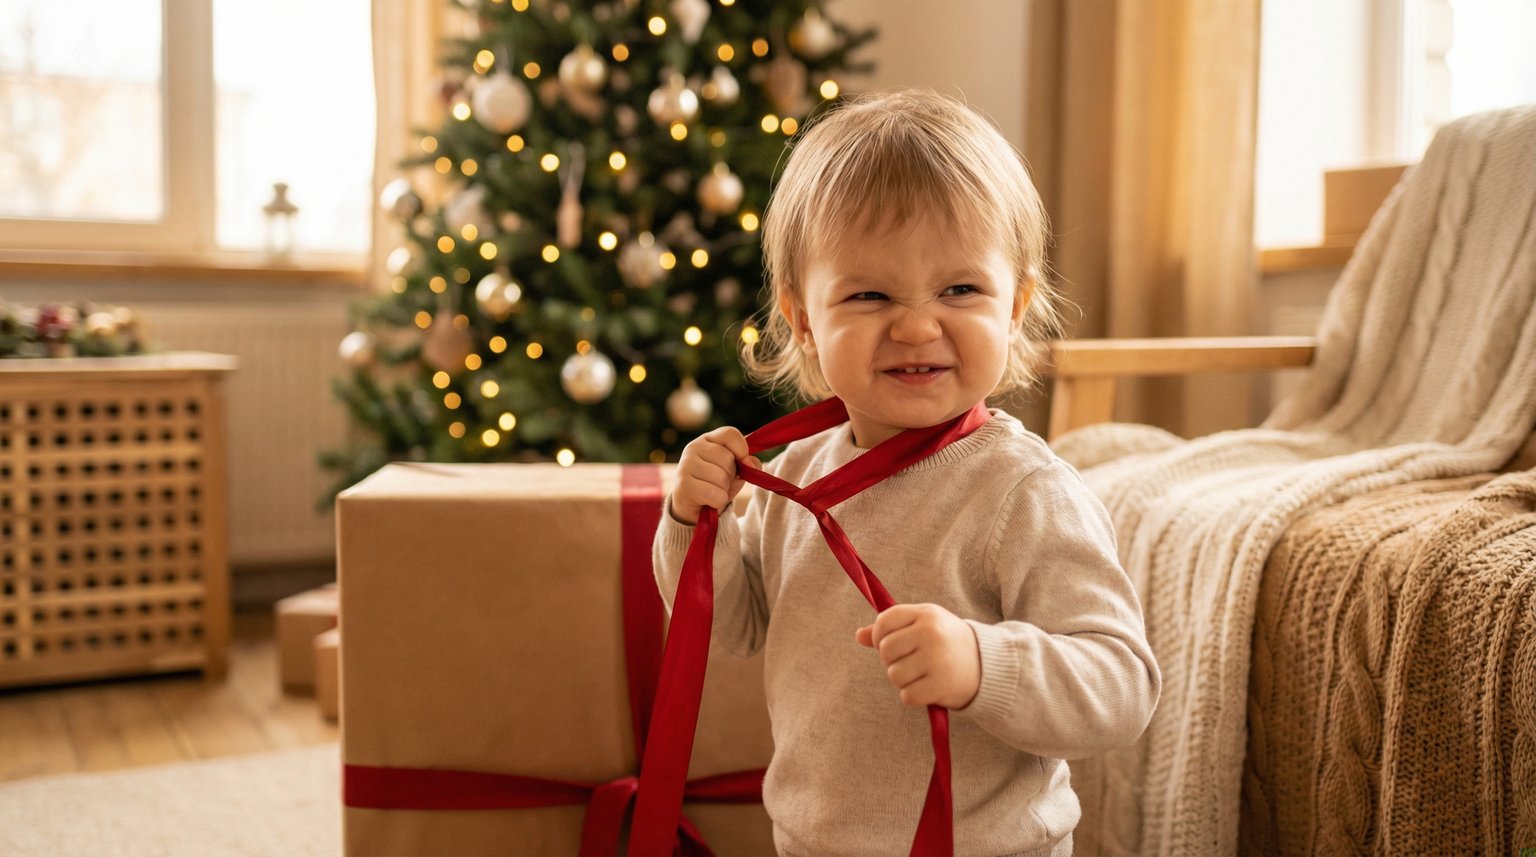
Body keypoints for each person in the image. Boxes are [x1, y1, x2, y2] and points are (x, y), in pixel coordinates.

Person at [653, 88, 1160, 857]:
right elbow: (734, 623)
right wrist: (694, 524)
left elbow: (1120, 686)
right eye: (868, 294)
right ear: (803, 322)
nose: (918, 325)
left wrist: (983, 662)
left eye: (960, 289)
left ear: (1015, 306)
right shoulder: (796, 472)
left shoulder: (1021, 490)